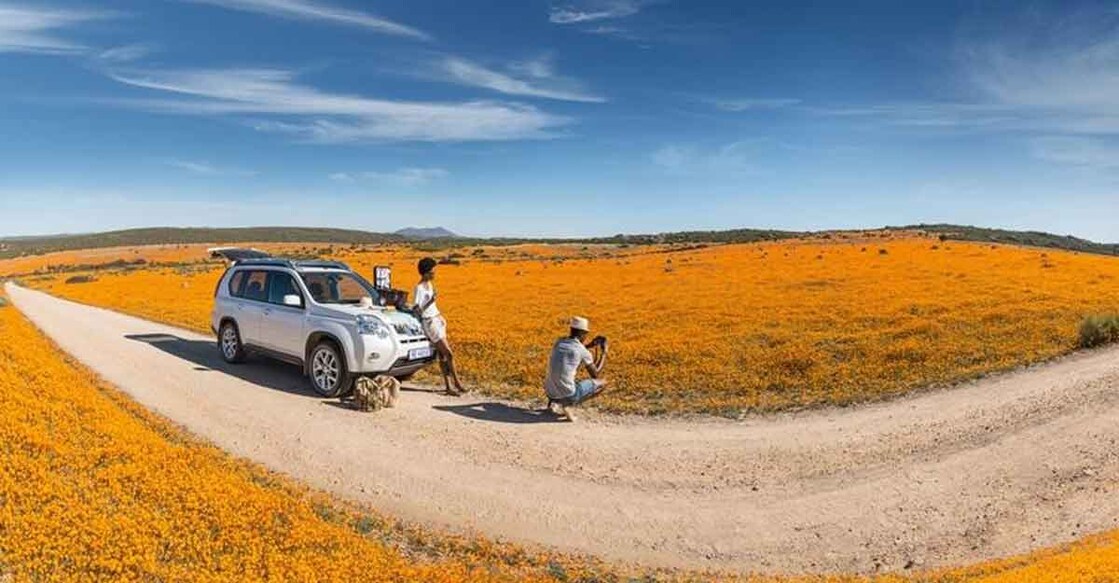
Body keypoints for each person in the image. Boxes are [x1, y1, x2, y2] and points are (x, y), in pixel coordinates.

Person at [413, 257, 466, 395]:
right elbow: (417, 310)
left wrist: (439, 316)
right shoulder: (419, 288)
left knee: (442, 355)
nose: (434, 274)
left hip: (437, 319)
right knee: (449, 353)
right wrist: (430, 302)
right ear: (425, 273)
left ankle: (449, 387)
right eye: (432, 272)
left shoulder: (429, 285)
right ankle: (457, 382)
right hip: (430, 322)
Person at [544, 316, 608, 419]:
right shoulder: (582, 350)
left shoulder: (559, 342)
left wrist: (590, 345)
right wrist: (604, 353)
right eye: (586, 334)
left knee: (560, 374)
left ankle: (553, 403)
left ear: (571, 330)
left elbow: (573, 351)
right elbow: (595, 375)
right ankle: (568, 405)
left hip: (549, 392)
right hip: (567, 394)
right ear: (583, 333)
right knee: (603, 383)